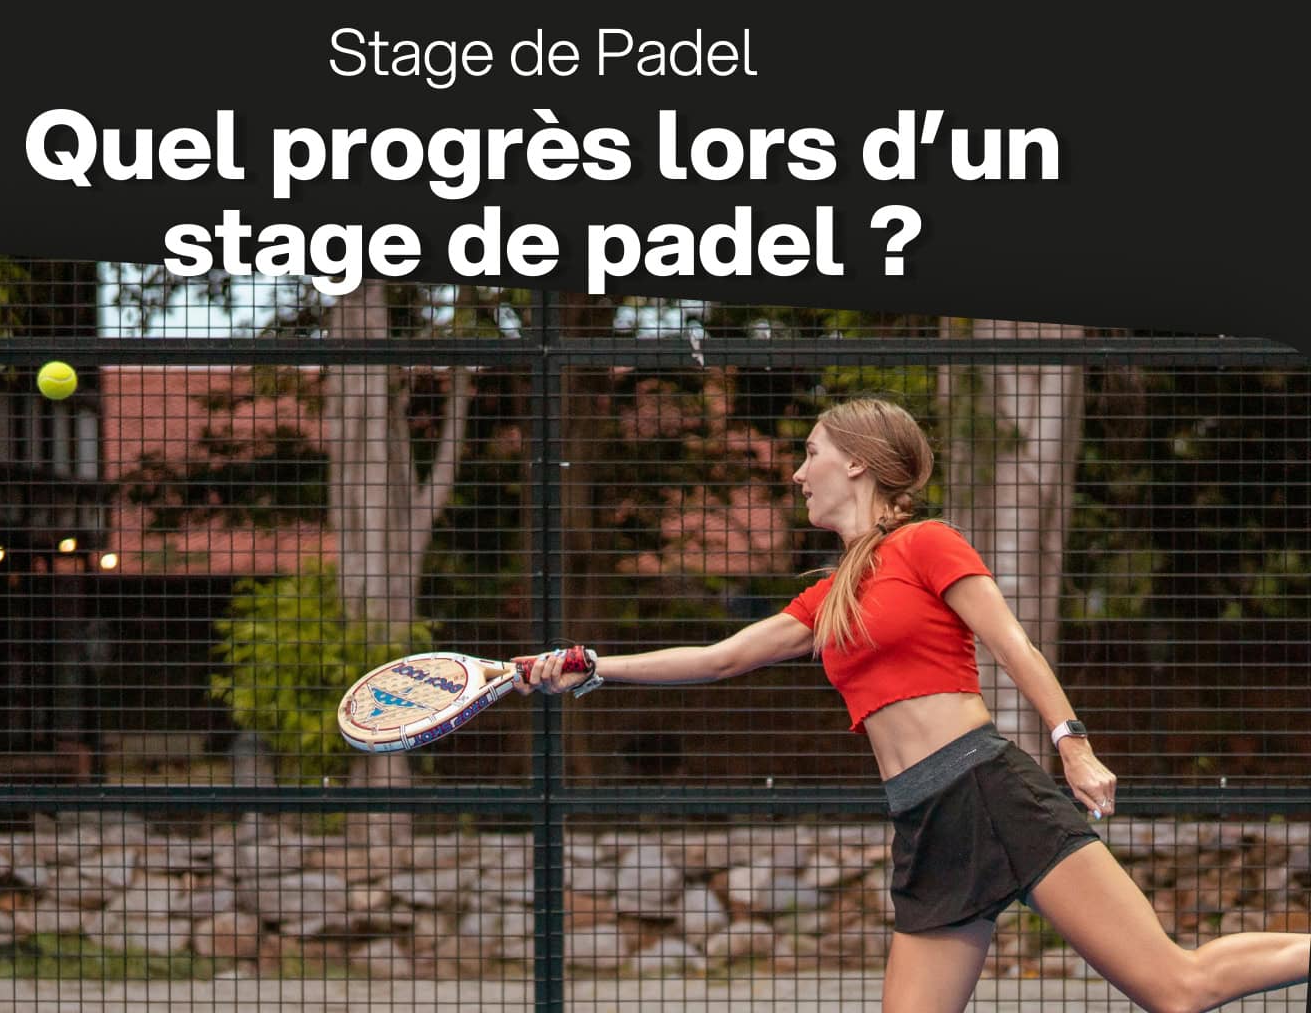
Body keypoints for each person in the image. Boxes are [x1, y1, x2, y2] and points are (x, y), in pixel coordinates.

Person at [516, 397, 1310, 1013]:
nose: (797, 473)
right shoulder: (830, 596)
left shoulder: (927, 544)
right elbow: (720, 658)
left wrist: (1072, 743)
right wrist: (592, 666)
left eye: (811, 453)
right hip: (926, 820)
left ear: (857, 463)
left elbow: (1013, 645)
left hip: (990, 791)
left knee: (1176, 987)